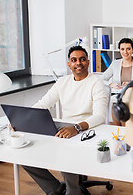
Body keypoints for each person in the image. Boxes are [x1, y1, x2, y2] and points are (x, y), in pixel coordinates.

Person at [22, 45, 108, 195]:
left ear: (88, 62)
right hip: (64, 129)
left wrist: (76, 128)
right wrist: (23, 119)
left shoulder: (96, 83)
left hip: (87, 129)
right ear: (69, 64)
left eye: (82, 59)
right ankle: (55, 189)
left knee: (66, 153)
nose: (78, 63)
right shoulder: (62, 82)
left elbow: (100, 116)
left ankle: (73, 191)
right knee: (26, 154)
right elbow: (43, 104)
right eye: (74, 60)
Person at [102, 37, 133, 125]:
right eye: (122, 49)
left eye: (128, 49)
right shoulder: (115, 64)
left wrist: (131, 84)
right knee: (117, 128)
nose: (125, 52)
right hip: (117, 101)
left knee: (126, 127)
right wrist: (111, 84)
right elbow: (102, 78)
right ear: (119, 50)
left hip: (132, 100)